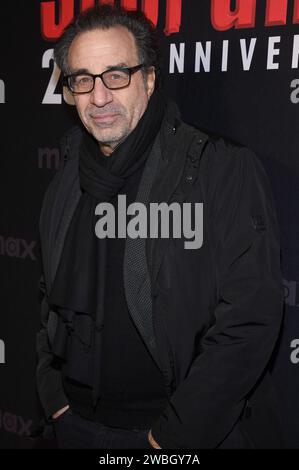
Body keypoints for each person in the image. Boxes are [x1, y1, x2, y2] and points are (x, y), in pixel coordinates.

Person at [36, 4, 284, 449]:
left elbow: (250, 319)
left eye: (116, 75)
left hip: (171, 436)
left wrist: (170, 439)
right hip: (73, 426)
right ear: (69, 90)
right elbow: (46, 297)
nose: (99, 96)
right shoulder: (66, 177)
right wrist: (53, 396)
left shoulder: (218, 169)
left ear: (149, 79)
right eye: (83, 79)